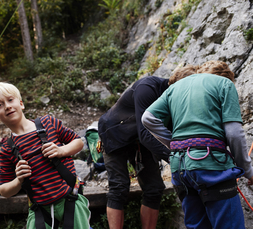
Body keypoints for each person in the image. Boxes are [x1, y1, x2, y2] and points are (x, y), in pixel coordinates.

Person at [142, 60, 253, 229]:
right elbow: (234, 133)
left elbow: (148, 118)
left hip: (180, 168)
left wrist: (175, 144)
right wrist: (249, 171)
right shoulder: (224, 84)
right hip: (212, 165)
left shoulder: (175, 88)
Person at [97, 65, 198, 229]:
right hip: (114, 133)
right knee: (119, 187)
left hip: (139, 140)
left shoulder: (179, 100)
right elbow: (145, 133)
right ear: (176, 84)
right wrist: (176, 158)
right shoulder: (148, 87)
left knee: (154, 188)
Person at [0, 82, 91, 229]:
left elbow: (78, 142)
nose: (7, 106)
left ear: (21, 104)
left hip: (70, 199)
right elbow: (4, 190)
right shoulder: (7, 148)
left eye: (10, 100)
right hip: (40, 208)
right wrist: (18, 179)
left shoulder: (48, 123)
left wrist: (61, 151)